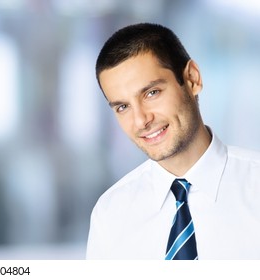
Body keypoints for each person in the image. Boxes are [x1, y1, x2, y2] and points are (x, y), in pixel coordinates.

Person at [86, 22, 260, 260]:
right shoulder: (110, 214)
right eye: (123, 106)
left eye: (151, 93)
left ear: (192, 79)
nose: (141, 121)